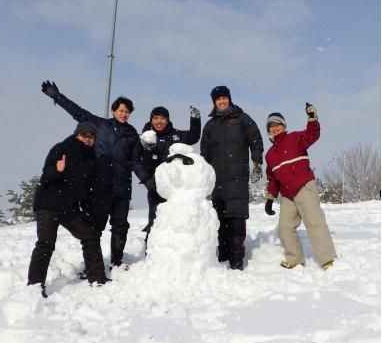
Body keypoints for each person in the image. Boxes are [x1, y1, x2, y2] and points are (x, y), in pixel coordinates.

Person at [40, 80, 152, 269]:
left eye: (127, 111)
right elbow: (78, 113)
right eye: (121, 110)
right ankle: (93, 266)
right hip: (99, 187)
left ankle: (116, 262)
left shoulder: (132, 135)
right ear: (113, 111)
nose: (124, 114)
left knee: (120, 227)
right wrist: (58, 97)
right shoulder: (100, 125)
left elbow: (135, 161)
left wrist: (149, 181)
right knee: (94, 228)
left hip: (122, 187)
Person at [27, 121, 110, 297]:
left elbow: (87, 189)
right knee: (46, 244)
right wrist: (57, 170)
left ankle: (97, 278)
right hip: (48, 204)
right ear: (76, 134)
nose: (87, 139)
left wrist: (90, 212)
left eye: (91, 136)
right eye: (84, 135)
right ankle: (34, 286)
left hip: (68, 207)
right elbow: (46, 174)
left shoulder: (91, 158)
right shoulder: (61, 148)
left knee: (90, 234)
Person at [263, 104, 337, 270]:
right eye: (271, 127)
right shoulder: (270, 155)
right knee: (284, 227)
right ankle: (295, 259)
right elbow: (272, 178)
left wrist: (312, 118)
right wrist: (270, 198)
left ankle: (328, 260)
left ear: (283, 126)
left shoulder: (295, 138)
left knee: (314, 222)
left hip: (304, 187)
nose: (274, 128)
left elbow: (312, 134)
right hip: (287, 194)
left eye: (277, 125)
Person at [200, 85, 264, 270]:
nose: (221, 101)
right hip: (217, 181)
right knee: (219, 222)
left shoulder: (242, 119)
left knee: (236, 222)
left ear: (229, 99)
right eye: (218, 99)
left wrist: (257, 161)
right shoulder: (210, 125)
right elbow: (204, 153)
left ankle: (236, 262)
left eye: (224, 98)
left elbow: (256, 139)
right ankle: (222, 259)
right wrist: (204, 178)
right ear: (214, 102)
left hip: (237, 179)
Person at [139, 105, 202, 238]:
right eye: (156, 118)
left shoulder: (176, 135)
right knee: (155, 221)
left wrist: (195, 119)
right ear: (151, 120)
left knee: (175, 222)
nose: (159, 121)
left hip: (175, 189)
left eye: (162, 118)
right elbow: (138, 162)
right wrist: (148, 180)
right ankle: (151, 253)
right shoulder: (145, 138)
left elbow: (194, 137)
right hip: (155, 187)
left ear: (167, 120)